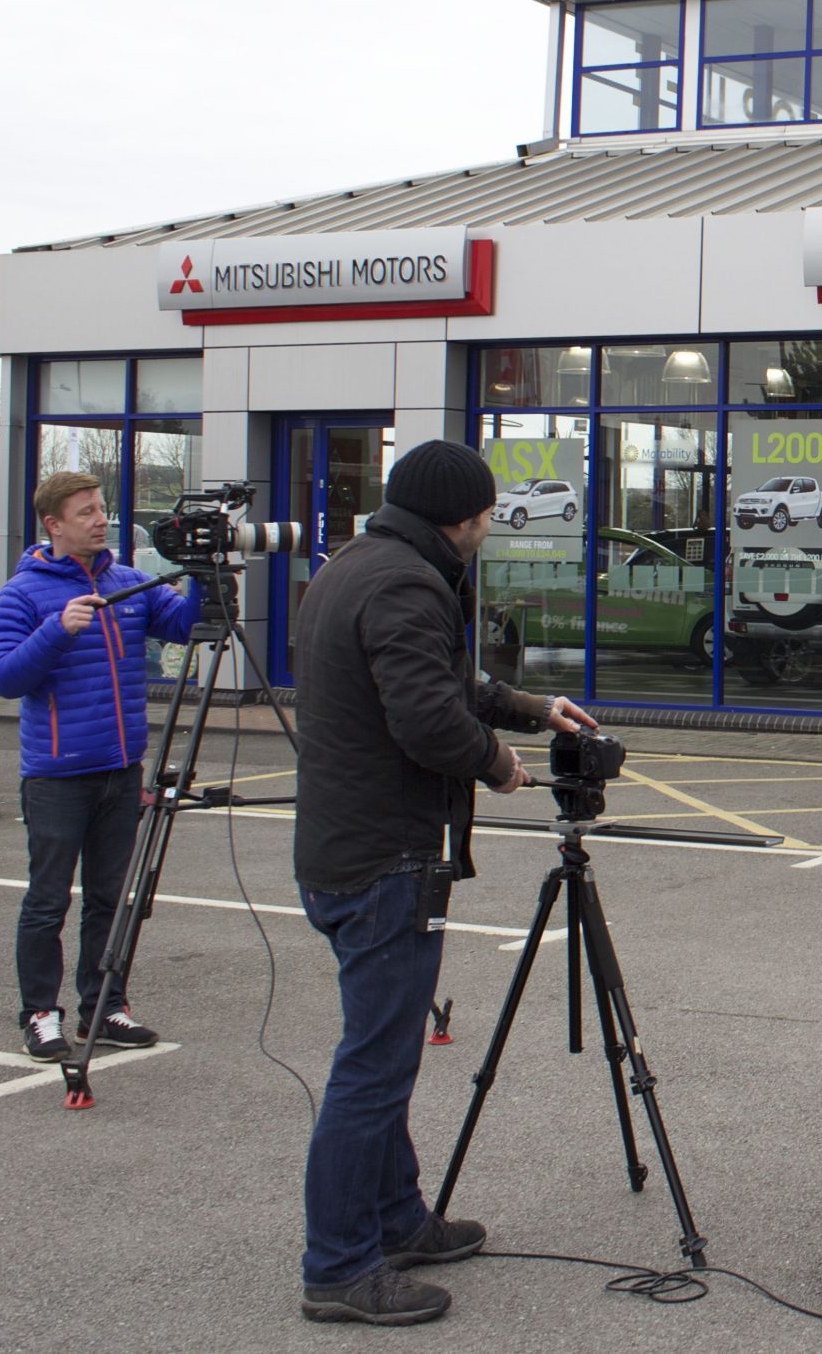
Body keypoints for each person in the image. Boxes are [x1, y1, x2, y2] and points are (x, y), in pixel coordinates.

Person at [289, 439, 598, 1327]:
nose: (490, 528)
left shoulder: (359, 565)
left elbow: (443, 681)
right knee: (374, 1069)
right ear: (459, 517)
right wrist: (501, 764)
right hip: (384, 856)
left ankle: (395, 1220)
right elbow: (427, 715)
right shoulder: (407, 582)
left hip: (350, 848)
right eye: (488, 514)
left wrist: (532, 710)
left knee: (379, 1056)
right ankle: (341, 1264)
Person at [0, 469, 207, 1062]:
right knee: (48, 900)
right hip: (56, 775)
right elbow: (4, 678)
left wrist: (208, 576)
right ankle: (39, 1014)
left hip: (120, 770)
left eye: (101, 507)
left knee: (111, 898)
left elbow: (187, 625)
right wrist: (57, 632)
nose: (99, 518)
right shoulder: (23, 594)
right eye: (85, 512)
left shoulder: (128, 583)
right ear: (54, 525)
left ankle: (105, 1005)